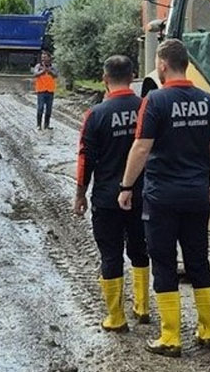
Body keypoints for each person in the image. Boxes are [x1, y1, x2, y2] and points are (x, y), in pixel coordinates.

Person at [118, 38, 210, 358]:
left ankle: (170, 338)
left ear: (163, 65)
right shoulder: (208, 102)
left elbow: (141, 147)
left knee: (163, 262)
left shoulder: (155, 101)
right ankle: (208, 332)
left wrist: (126, 186)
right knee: (198, 261)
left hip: (161, 196)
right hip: (196, 195)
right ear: (187, 64)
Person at [73, 55, 151, 332]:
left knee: (111, 255)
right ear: (132, 76)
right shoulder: (145, 108)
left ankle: (115, 318)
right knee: (141, 250)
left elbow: (85, 159)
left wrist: (80, 194)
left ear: (105, 79)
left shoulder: (95, 115)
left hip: (107, 199)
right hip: (141, 196)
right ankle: (142, 308)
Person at [32, 51, 58, 130]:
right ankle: (38, 125)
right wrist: (43, 71)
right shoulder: (38, 66)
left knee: (49, 109)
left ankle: (47, 125)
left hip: (50, 91)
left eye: (45, 57)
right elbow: (35, 74)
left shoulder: (53, 67)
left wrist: (49, 71)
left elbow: (56, 75)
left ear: (49, 58)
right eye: (42, 57)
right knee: (40, 108)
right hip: (41, 90)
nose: (43, 59)